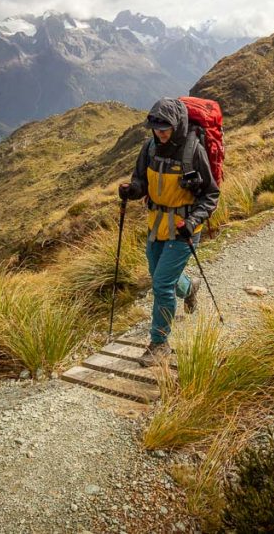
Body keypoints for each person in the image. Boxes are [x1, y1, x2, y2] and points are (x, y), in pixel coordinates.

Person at [118, 97, 220, 367]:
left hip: (184, 229)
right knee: (160, 277)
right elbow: (141, 181)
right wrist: (132, 191)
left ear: (177, 125)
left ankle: (159, 343)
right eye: (156, 129)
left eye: (165, 129)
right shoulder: (150, 147)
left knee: (162, 284)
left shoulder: (193, 151)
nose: (160, 134)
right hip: (156, 225)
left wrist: (192, 221)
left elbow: (211, 194)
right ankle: (189, 287)